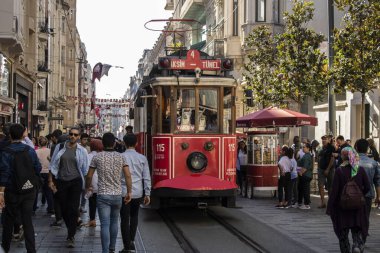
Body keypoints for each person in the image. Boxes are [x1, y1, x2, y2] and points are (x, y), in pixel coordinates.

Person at [85, 132, 132, 253]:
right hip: (117, 195)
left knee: (105, 224)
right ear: (114, 143)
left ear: (103, 144)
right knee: (114, 221)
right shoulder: (121, 156)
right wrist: (129, 192)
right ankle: (112, 248)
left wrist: (87, 187)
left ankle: (105, 251)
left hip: (103, 195)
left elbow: (89, 176)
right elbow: (127, 175)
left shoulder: (97, 157)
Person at [0, 123, 42, 253]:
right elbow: (38, 167)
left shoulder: (5, 152)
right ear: (24, 135)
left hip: (12, 191)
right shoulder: (29, 150)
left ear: (10, 135)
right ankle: (31, 250)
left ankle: (5, 248)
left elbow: (4, 173)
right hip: (28, 190)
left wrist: (1, 191)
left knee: (9, 221)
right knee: (27, 220)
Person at [48, 127, 89, 248]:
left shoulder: (82, 150)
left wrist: (87, 185)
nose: (73, 136)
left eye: (75, 135)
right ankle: (71, 224)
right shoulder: (60, 148)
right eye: (71, 134)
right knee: (64, 208)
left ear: (79, 137)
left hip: (76, 182)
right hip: (61, 181)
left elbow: (85, 169)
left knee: (73, 208)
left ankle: (71, 235)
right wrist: (51, 181)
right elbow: (53, 164)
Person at [326, 147, 370, 253]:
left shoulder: (339, 171)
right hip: (358, 208)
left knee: (343, 235)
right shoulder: (360, 169)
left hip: (343, 208)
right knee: (357, 230)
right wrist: (359, 196)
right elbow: (368, 187)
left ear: (342, 156)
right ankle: (357, 245)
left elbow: (334, 191)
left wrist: (330, 207)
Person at [120, 134, 151, 253]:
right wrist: (147, 193)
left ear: (124, 143)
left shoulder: (121, 157)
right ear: (136, 144)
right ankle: (132, 241)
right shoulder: (142, 158)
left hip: (124, 192)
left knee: (124, 218)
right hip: (138, 192)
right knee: (134, 216)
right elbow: (146, 177)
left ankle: (126, 246)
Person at [355, 139, 380, 224]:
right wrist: (378, 196)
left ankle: (356, 232)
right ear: (367, 149)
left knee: (355, 214)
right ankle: (364, 231)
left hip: (353, 193)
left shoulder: (352, 162)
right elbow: (377, 181)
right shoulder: (373, 163)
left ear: (356, 148)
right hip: (368, 193)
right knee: (366, 214)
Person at [86, 139, 104, 227]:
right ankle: (103, 220)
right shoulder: (103, 156)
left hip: (92, 181)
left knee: (92, 202)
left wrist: (87, 185)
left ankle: (92, 219)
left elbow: (87, 172)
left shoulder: (88, 156)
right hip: (103, 183)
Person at [36, 136, 54, 214]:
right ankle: (50, 207)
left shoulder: (36, 151)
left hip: (39, 173)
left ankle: (33, 207)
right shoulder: (50, 151)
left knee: (36, 191)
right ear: (47, 143)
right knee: (48, 191)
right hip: (48, 173)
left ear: (39, 143)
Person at [317, 135, 335, 208]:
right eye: (323, 139)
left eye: (325, 139)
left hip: (330, 169)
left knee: (331, 186)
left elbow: (332, 159)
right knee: (320, 185)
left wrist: (328, 169)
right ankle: (323, 202)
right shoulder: (321, 148)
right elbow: (319, 157)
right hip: (321, 169)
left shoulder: (331, 148)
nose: (323, 140)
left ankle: (331, 202)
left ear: (328, 140)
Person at [297, 143, 313, 209]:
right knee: (301, 189)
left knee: (305, 190)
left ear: (308, 148)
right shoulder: (305, 155)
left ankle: (307, 204)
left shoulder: (307, 156)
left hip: (306, 175)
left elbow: (305, 166)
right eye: (303, 147)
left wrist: (301, 172)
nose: (303, 148)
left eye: (304, 147)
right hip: (303, 175)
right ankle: (300, 203)